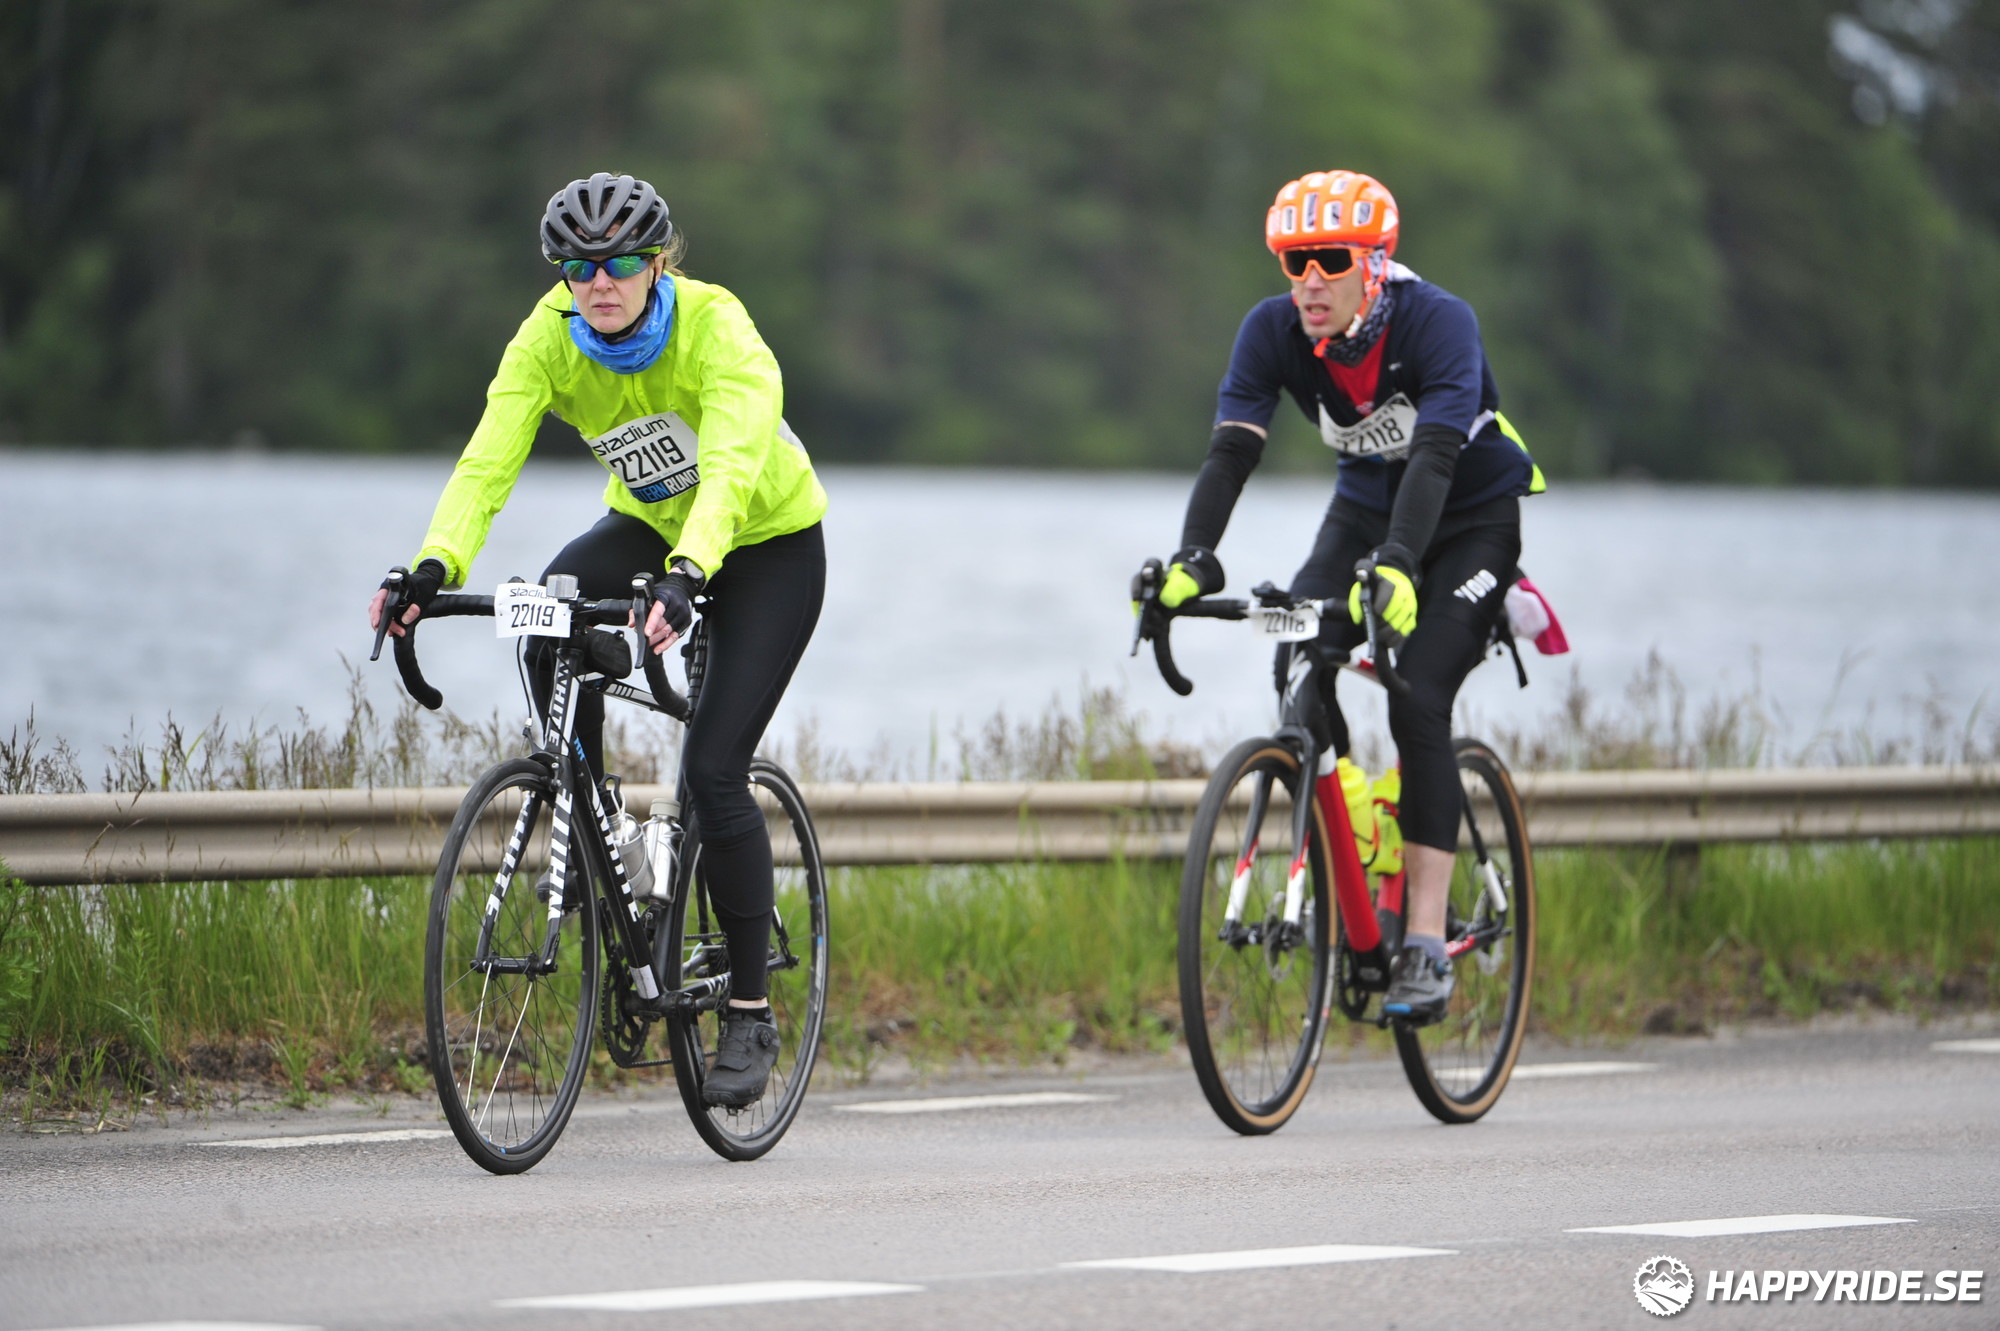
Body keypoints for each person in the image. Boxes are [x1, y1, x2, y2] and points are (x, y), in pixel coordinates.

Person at [368, 171, 826, 1105]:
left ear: (658, 263)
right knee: (550, 617)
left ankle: (749, 1010)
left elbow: (731, 465)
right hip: (650, 530)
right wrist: (432, 565)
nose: (599, 283)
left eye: (619, 264)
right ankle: (595, 824)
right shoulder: (549, 336)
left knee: (713, 772)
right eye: (578, 268)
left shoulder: (717, 327)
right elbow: (488, 459)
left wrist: (691, 573)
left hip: (767, 544)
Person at [1145, 170, 1543, 1023]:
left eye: (1330, 259)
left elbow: (1435, 456)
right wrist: (1193, 559)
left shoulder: (1439, 322)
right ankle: (1359, 823)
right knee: (1299, 651)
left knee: (1418, 692)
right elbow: (1231, 451)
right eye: (1295, 261)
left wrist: (1400, 564)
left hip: (1470, 518)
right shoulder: (1273, 329)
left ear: (1375, 264)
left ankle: (1426, 940)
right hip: (1364, 512)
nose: (1311, 280)